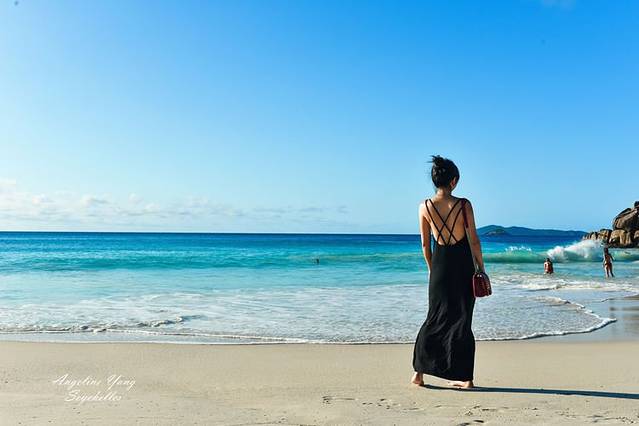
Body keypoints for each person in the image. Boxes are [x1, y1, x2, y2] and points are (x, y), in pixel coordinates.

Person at [411, 155, 485, 390]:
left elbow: (425, 245)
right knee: (463, 320)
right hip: (463, 266)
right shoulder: (464, 205)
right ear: (453, 181)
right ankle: (466, 378)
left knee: (434, 318)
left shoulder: (424, 206)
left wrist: (432, 270)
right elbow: (474, 241)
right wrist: (481, 268)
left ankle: (419, 374)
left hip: (440, 267)